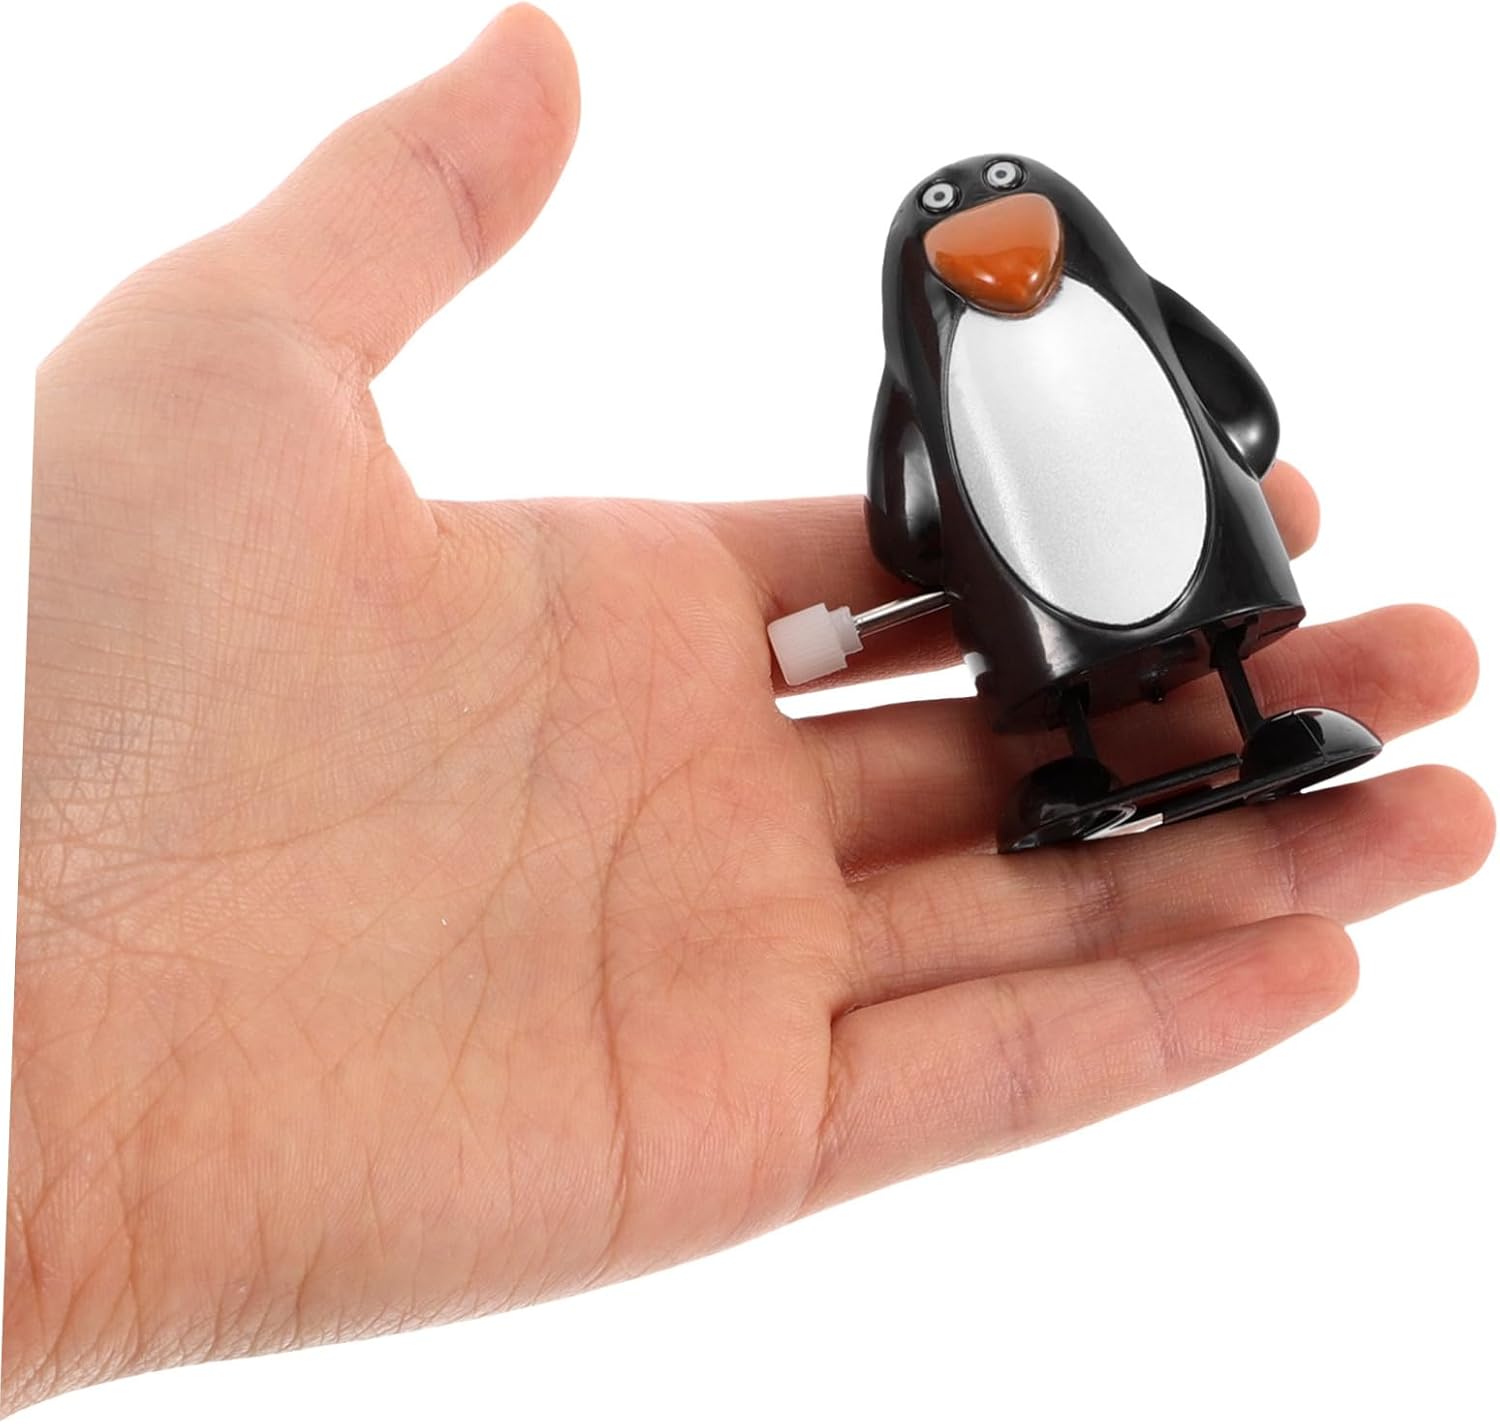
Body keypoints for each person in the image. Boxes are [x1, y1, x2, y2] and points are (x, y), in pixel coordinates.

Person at [7, 4, 1491, 1411]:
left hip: (1187, 565)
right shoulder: (953, 351)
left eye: (1010, 207)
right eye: (958, 218)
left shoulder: (1100, 313)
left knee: (1188, 633)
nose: (993, 235)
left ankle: (1244, 723)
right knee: (1081, 681)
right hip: (1056, 611)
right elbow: (938, 472)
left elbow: (1195, 396)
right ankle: (1093, 768)